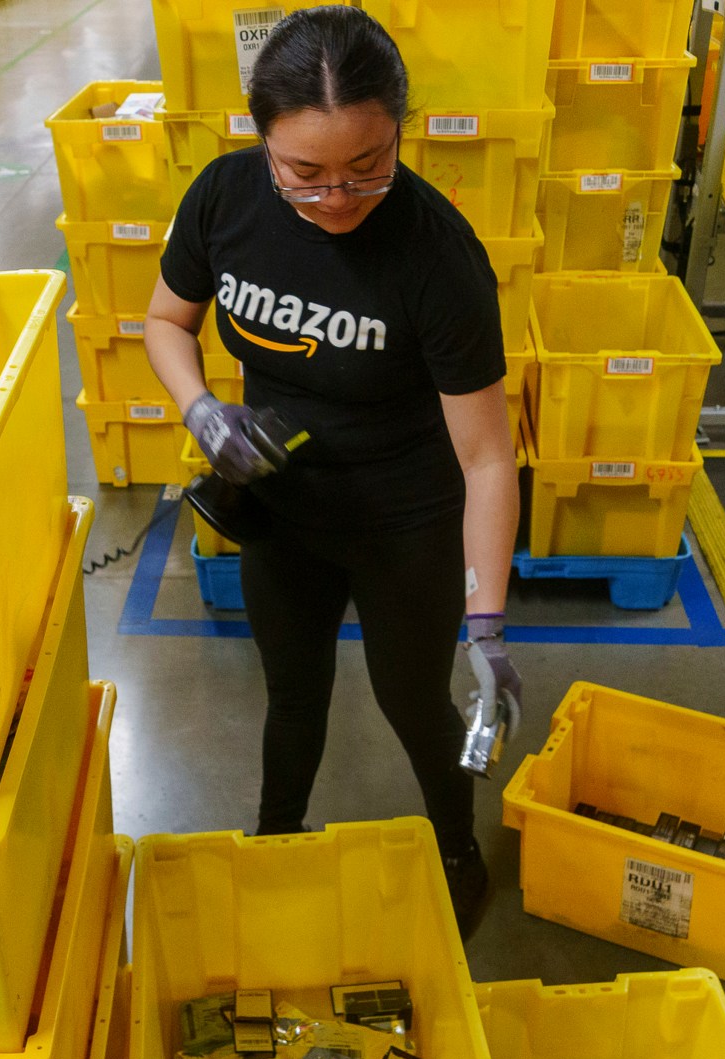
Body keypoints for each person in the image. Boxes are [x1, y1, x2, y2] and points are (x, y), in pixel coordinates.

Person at [143, 4, 521, 932]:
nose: (337, 199)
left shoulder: (437, 256)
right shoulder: (225, 200)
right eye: (304, 174)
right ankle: (277, 837)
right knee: (293, 688)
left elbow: (485, 456)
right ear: (261, 137)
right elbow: (166, 322)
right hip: (286, 508)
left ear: (400, 131)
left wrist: (488, 623)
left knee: (412, 699)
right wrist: (203, 412)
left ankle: (455, 848)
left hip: (407, 519)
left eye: (367, 168)